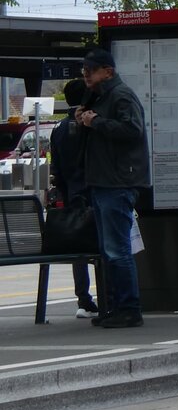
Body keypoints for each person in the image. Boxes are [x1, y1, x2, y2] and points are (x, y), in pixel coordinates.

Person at [77, 48, 150, 329]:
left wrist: (96, 121)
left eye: (90, 71)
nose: (86, 77)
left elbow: (133, 131)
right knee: (110, 249)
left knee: (117, 249)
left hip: (117, 182)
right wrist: (86, 119)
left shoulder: (120, 95)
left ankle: (129, 308)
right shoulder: (103, 97)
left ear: (108, 71)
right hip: (104, 180)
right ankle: (116, 306)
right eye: (84, 72)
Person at [48, 78, 100, 318]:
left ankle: (83, 298)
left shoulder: (58, 130)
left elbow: (56, 170)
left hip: (71, 195)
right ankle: (108, 296)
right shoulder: (87, 124)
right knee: (102, 246)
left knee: (79, 250)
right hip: (92, 191)